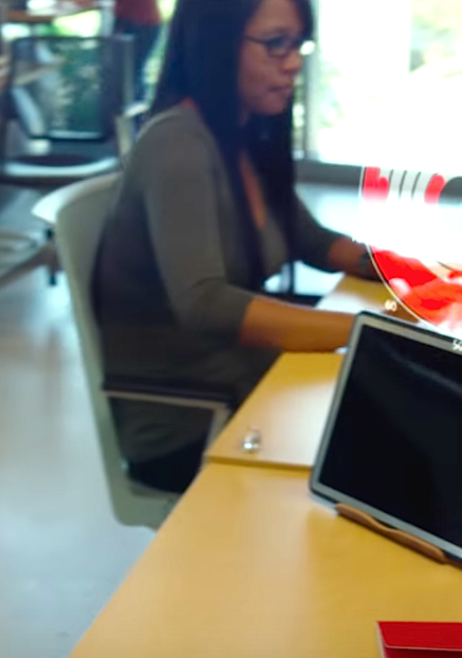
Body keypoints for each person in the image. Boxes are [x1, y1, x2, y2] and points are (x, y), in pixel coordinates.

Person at [91, 0, 384, 494]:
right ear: (217, 44)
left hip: (247, 380)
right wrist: (369, 333)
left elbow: (308, 239)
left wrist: (410, 273)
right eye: (275, 44)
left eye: (297, 45)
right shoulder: (177, 145)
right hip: (191, 422)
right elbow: (205, 303)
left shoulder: (241, 131)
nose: (292, 63)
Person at [111, 0, 163, 101]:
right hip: (137, 22)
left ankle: (134, 105)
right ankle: (135, 104)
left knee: (130, 74)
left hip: (140, 23)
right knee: (131, 74)